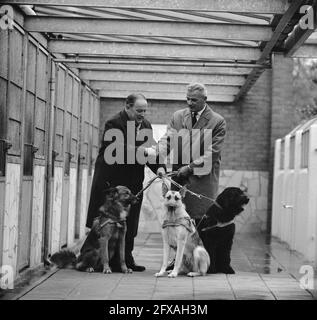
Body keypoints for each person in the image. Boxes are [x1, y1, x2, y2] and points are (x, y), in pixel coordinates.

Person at [86, 93, 164, 272]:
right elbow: (117, 150)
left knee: (131, 221)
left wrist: (159, 168)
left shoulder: (145, 125)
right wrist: (144, 152)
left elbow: (150, 154)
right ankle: (96, 258)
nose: (142, 114)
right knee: (106, 222)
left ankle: (127, 258)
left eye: (145, 110)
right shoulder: (114, 123)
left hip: (133, 182)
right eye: (139, 110)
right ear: (127, 107)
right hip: (112, 182)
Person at [149, 82, 226, 223]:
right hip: (179, 181)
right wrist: (155, 157)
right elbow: (167, 140)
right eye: (188, 99)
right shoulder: (178, 116)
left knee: (200, 224)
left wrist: (190, 167)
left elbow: (212, 153)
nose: (190, 103)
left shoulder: (218, 122)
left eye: (194, 100)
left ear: (205, 99)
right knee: (177, 225)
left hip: (202, 182)